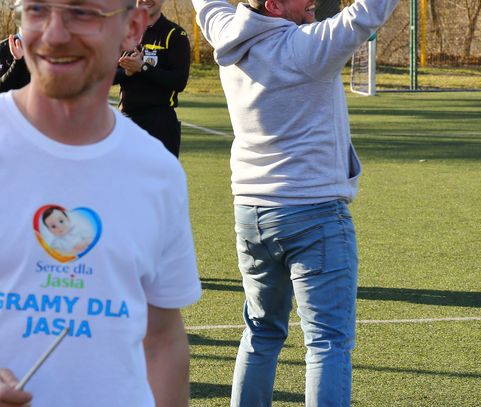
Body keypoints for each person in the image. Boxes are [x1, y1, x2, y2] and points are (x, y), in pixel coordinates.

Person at [192, 0, 399, 405]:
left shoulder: (225, 33)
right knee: (327, 341)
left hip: (251, 215)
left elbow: (206, 4)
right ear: (274, 6)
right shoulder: (306, 47)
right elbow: (367, 12)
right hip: (313, 213)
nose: (312, 1)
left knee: (261, 331)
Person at [0, 1, 201, 406]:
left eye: (82, 13)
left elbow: (162, 340)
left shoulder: (157, 170)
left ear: (133, 28)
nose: (55, 34)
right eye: (37, 10)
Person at [114, 0, 191, 157]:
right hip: (127, 121)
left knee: (160, 174)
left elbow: (179, 81)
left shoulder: (175, 34)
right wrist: (127, 72)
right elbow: (103, 76)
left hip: (160, 123)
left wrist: (143, 67)